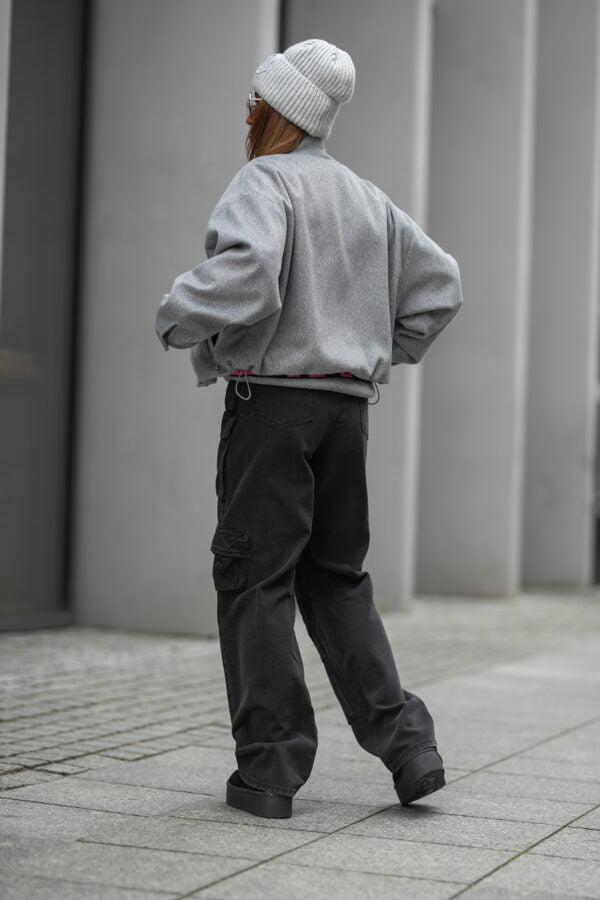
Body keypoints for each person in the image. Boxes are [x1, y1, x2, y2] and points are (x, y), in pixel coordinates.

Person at [155, 38, 462, 820]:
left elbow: (249, 275)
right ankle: (409, 747)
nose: (245, 115)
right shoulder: (367, 198)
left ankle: (270, 770)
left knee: (255, 579)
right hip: (346, 414)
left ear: (277, 111)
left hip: (273, 412)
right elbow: (441, 287)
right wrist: (371, 347)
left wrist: (178, 315)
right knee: (336, 578)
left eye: (253, 102)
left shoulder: (265, 181)